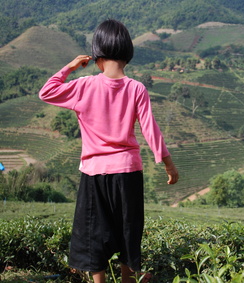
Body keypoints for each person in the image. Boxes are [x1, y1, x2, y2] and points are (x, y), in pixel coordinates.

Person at [39, 19, 178, 283]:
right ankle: (128, 280)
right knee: (129, 229)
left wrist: (70, 67)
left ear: (96, 56)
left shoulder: (84, 86)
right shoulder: (137, 88)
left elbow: (46, 93)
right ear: (128, 54)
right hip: (128, 171)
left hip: (94, 173)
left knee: (93, 231)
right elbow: (151, 130)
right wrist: (168, 164)